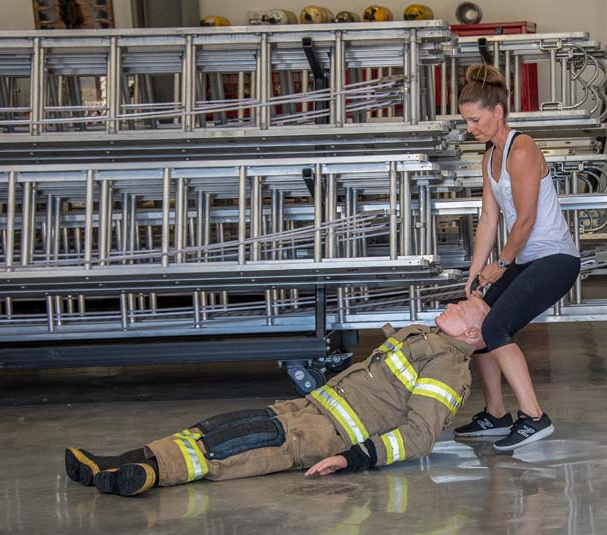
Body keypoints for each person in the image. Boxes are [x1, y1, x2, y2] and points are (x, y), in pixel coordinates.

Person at [64, 297, 490, 497]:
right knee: (219, 428)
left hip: (328, 433)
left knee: (231, 448)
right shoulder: (429, 337)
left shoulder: (449, 366)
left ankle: (147, 475)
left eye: (462, 309)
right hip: (311, 409)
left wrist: (353, 458)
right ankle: (117, 462)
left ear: (472, 334)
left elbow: (419, 437)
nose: (453, 304)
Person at [454, 64, 580, 451]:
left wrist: (501, 264)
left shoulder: (522, 149)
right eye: (466, 121)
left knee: (495, 328)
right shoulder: (489, 158)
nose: (470, 128)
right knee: (476, 322)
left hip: (555, 258)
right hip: (526, 259)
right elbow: (489, 218)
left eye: (475, 120)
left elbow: (524, 220)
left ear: (497, 112)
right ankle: (495, 414)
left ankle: (534, 417)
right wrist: (475, 275)